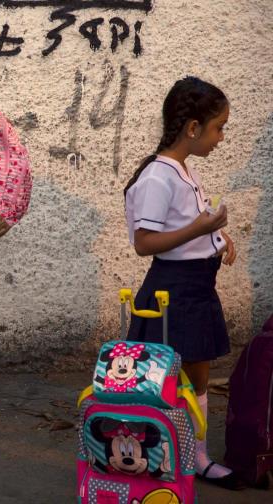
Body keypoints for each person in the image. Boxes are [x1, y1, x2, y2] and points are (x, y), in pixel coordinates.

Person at [124, 76, 244, 490]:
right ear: (192, 128)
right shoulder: (159, 177)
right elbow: (145, 243)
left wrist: (216, 237)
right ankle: (169, 455)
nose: (221, 137)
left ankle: (196, 456)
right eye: (218, 127)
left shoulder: (180, 171)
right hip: (171, 291)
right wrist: (199, 229)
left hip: (195, 286)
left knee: (198, 377)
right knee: (171, 378)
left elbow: (188, 226)